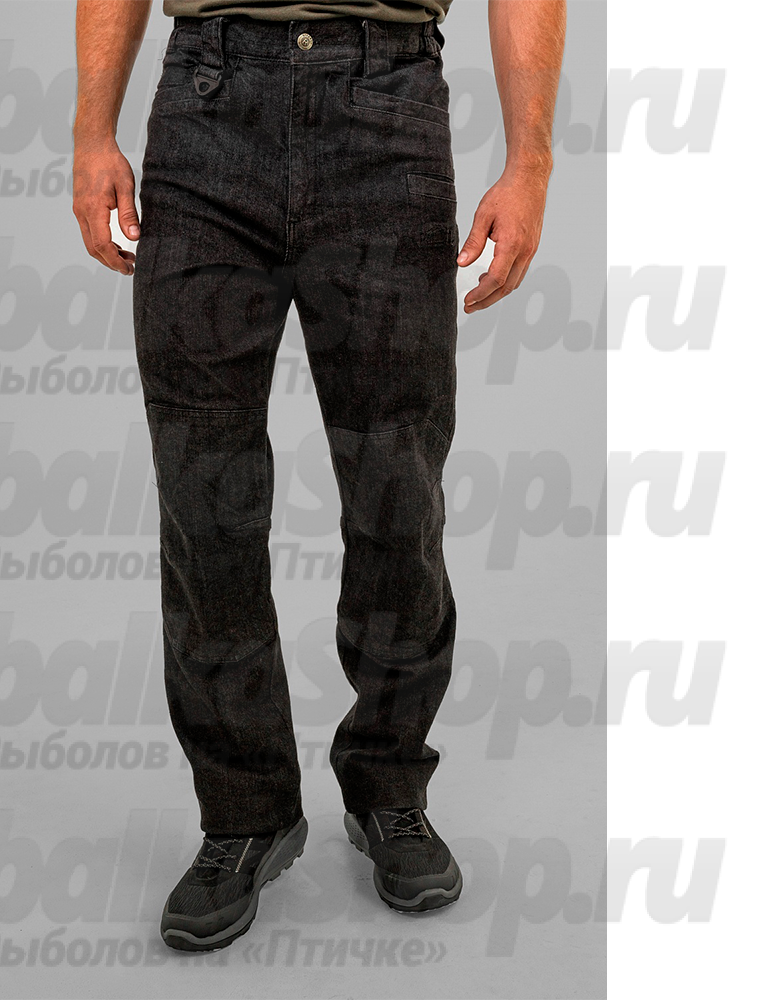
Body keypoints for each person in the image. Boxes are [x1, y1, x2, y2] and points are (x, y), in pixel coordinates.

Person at [73, 0, 565, 952]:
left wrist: (530, 162)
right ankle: (243, 812)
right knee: (204, 505)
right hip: (208, 108)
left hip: (386, 109)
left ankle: (389, 787)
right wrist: (93, 132)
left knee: (397, 496)